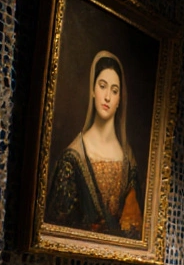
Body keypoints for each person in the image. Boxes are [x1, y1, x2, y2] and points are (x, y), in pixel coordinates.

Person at [44, 50, 143, 238]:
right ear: (92, 89)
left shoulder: (129, 164)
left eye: (114, 91)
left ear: (119, 99)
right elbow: (58, 228)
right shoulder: (71, 159)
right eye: (102, 86)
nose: (107, 97)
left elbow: (134, 231)